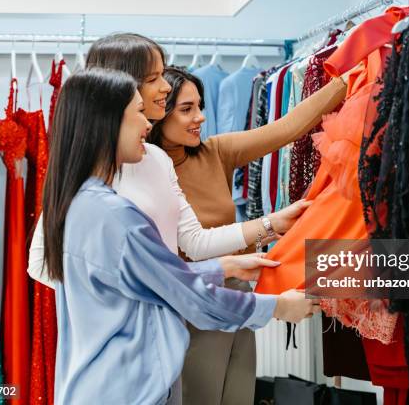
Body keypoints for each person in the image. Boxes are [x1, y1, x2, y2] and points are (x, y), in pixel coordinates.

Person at [43, 68, 318, 404]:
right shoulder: (118, 218)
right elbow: (189, 296)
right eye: (139, 112)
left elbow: (152, 279)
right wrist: (278, 307)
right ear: (108, 123)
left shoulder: (79, 205)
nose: (148, 123)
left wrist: (223, 268)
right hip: (129, 389)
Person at [28, 33, 309, 288]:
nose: (165, 87)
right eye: (153, 79)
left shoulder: (157, 159)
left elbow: (195, 242)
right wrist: (120, 298)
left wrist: (272, 223)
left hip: (169, 323)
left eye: (162, 75)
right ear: (117, 85)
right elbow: (42, 266)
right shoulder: (88, 170)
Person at [148, 66, 348, 404]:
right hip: (192, 305)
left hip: (240, 297)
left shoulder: (216, 152)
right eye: (186, 110)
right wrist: (269, 225)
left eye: (200, 106)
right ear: (160, 114)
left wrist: (348, 77)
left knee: (239, 397)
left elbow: (288, 128)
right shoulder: (146, 171)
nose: (199, 117)